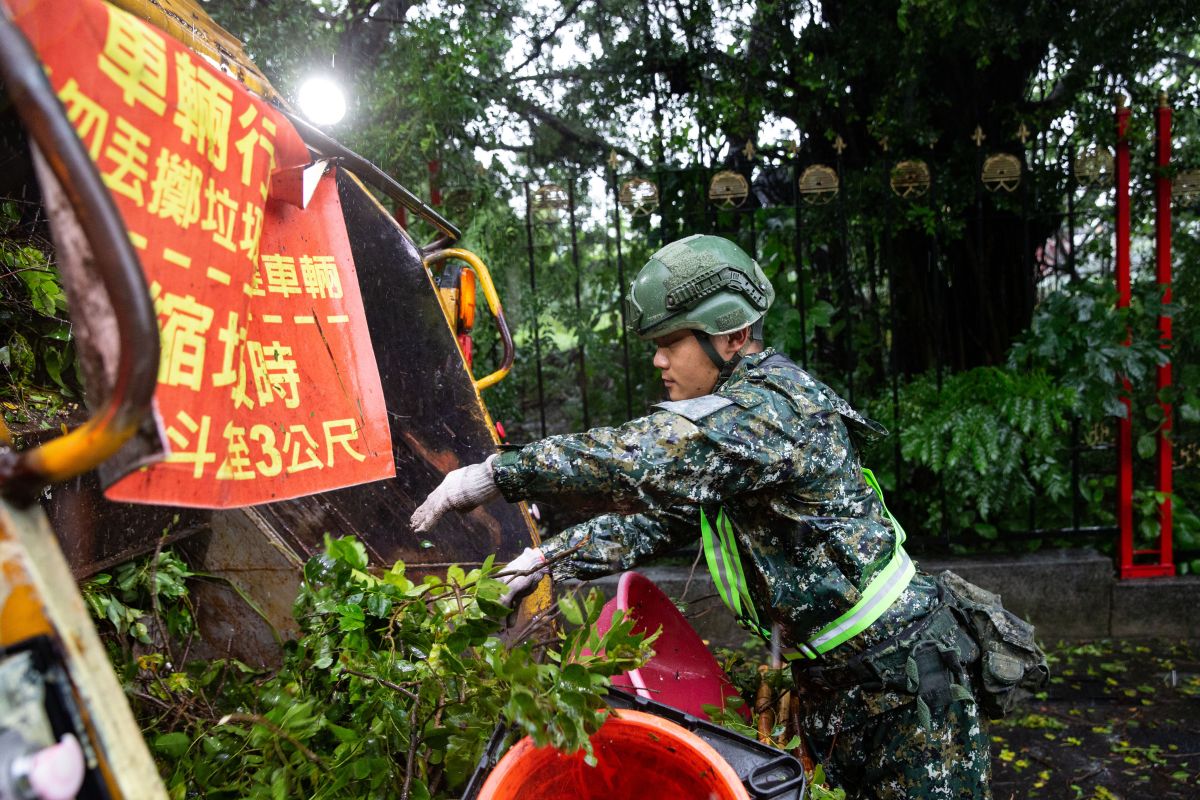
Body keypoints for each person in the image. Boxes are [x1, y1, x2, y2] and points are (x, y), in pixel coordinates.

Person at [412, 234, 1025, 799]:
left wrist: (493, 475)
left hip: (906, 683)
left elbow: (639, 456)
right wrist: (547, 558)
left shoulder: (768, 414)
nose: (658, 362)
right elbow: (659, 518)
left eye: (668, 344)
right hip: (841, 683)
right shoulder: (735, 430)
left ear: (730, 337)